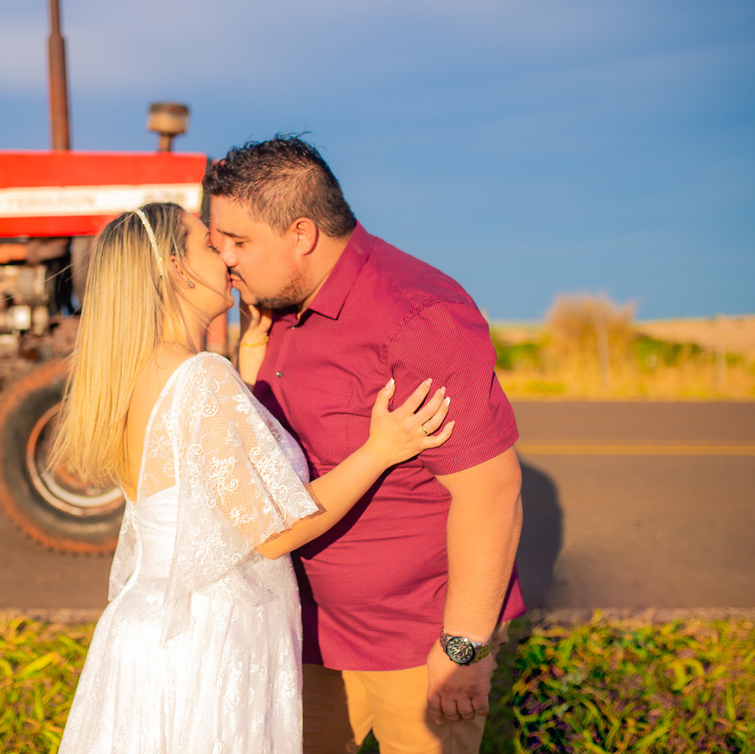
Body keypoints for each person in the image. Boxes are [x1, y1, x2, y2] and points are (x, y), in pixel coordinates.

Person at [54, 202, 454, 754]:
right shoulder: (199, 378)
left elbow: (202, 476)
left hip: (148, 629)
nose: (224, 254)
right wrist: (381, 449)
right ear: (177, 268)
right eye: (206, 244)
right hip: (208, 637)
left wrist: (248, 357)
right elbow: (275, 534)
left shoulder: (137, 370)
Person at [204, 135, 525, 754]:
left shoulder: (416, 316)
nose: (226, 261)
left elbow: (492, 491)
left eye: (238, 242)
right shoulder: (275, 309)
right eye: (219, 243)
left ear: (301, 234)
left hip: (412, 645)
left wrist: (463, 647)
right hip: (303, 635)